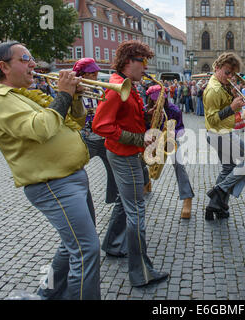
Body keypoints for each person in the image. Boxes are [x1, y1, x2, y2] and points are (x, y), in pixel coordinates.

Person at [0, 41, 100, 300]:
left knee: (71, 249)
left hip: (72, 177)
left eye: (32, 58)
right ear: (4, 66)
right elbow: (41, 128)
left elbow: (75, 121)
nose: (33, 64)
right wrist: (64, 94)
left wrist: (76, 97)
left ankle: (45, 294)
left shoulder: (25, 95)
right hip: (53, 184)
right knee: (86, 250)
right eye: (25, 59)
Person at [92, 40, 169, 287]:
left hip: (125, 152)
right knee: (136, 210)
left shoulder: (128, 85)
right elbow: (101, 126)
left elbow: (124, 117)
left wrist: (147, 115)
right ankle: (141, 272)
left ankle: (113, 245)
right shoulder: (117, 87)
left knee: (125, 205)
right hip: (124, 154)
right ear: (128, 62)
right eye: (142, 61)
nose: (146, 67)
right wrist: (139, 138)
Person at [203, 52, 245, 220]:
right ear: (217, 68)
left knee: (228, 169)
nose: (229, 76)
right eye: (227, 72)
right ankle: (219, 190)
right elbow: (212, 120)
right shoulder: (213, 89)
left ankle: (215, 206)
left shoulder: (222, 84)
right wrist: (232, 108)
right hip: (219, 133)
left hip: (221, 132)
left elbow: (225, 105)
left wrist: (233, 98)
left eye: (232, 74)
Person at [72, 57, 119, 205]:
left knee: (114, 170)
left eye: (95, 73)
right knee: (76, 171)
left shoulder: (99, 90)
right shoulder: (73, 91)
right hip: (85, 139)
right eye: (91, 74)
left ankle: (114, 198)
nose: (95, 76)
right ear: (82, 75)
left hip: (103, 138)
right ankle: (79, 202)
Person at [145, 84, 195, 219]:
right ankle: (146, 182)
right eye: (155, 99)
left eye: (161, 99)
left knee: (179, 166)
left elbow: (180, 128)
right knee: (139, 161)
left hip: (169, 139)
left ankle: (187, 198)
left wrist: (174, 134)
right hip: (152, 138)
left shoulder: (173, 110)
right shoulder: (146, 110)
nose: (158, 102)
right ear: (150, 99)